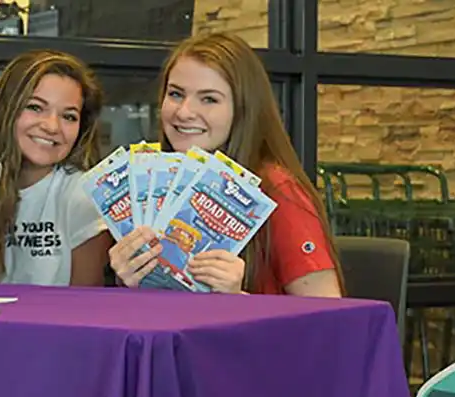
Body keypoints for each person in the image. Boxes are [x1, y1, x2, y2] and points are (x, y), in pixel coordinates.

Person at [108, 32, 344, 297]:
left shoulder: (278, 190)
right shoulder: (149, 189)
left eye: (209, 99)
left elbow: (329, 313)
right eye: (175, 94)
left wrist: (237, 299)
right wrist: (129, 281)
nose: (184, 112)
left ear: (243, 110)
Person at [0, 50, 112, 286]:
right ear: (7, 110)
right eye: (35, 107)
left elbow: (87, 302)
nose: (52, 127)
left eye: (69, 117)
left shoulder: (84, 195)